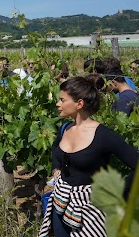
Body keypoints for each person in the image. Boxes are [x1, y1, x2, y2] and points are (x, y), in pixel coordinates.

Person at [39, 75, 139, 237]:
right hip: (60, 205)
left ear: (79, 103)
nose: (58, 104)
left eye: (62, 100)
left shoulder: (104, 136)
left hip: (91, 213)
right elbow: (56, 151)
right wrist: (56, 168)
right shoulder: (65, 128)